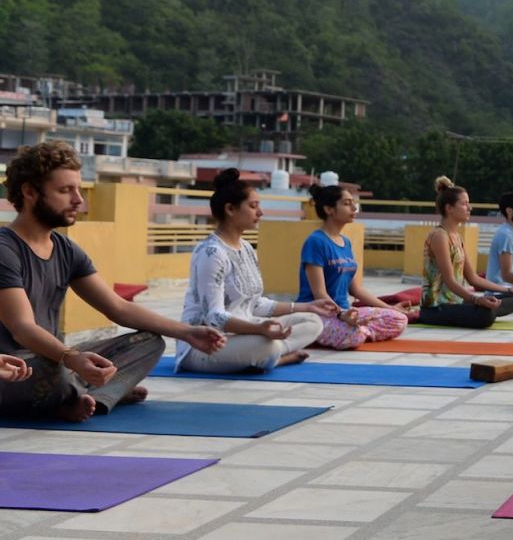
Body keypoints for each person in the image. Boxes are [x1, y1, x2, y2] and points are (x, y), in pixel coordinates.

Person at [0, 141, 226, 421]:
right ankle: (91, 392)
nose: (78, 200)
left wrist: (185, 332)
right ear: (30, 192)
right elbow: (22, 328)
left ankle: (86, 394)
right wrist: (71, 358)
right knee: (54, 367)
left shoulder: (66, 249)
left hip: (57, 361)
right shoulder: (5, 250)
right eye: (65, 191)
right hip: (15, 368)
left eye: (78, 189)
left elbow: (118, 308)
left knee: (149, 342)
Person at [177, 168, 335, 373]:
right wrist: (259, 329)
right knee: (264, 345)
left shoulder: (247, 248)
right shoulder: (211, 253)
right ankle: (274, 356)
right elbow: (214, 317)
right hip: (206, 345)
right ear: (230, 209)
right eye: (253, 206)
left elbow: (256, 303)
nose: (260, 213)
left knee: (312, 321)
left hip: (246, 331)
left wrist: (307, 306)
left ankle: (268, 355)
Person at [299, 185, 408, 349]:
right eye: (346, 203)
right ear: (329, 209)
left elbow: (356, 290)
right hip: (318, 313)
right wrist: (341, 315)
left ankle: (357, 331)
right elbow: (319, 294)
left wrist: (390, 308)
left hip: (346, 312)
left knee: (399, 319)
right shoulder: (315, 242)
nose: (353, 207)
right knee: (353, 336)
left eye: (353, 202)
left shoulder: (346, 243)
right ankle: (349, 332)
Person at [420, 177, 513, 328]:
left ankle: (489, 309)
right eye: (464, 204)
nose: (469, 208)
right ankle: (487, 311)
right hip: (437, 307)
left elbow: (473, 278)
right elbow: (450, 281)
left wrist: (508, 289)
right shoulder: (439, 236)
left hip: (457, 302)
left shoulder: (458, 237)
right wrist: (476, 300)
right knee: (485, 315)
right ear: (449, 208)